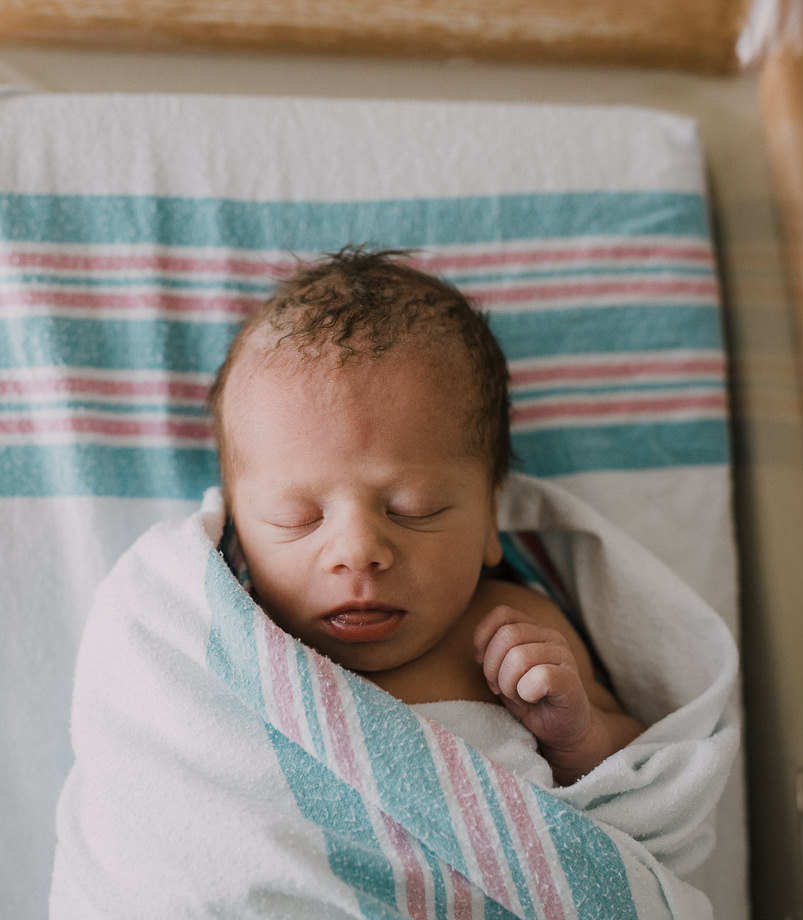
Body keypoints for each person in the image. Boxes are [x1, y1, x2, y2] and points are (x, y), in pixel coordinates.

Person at [207, 247, 644, 785]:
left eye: (414, 509)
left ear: (490, 519)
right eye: (296, 516)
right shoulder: (228, 637)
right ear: (237, 530)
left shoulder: (513, 630)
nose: (357, 550)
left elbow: (645, 771)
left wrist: (578, 736)